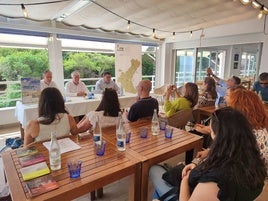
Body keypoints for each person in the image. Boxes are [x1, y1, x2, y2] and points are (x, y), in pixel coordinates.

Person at [149, 107, 266, 201]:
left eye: (210, 131)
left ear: (217, 136)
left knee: (154, 169)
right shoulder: (254, 163)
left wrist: (186, 178)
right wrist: (196, 167)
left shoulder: (216, 180)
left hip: (185, 194)